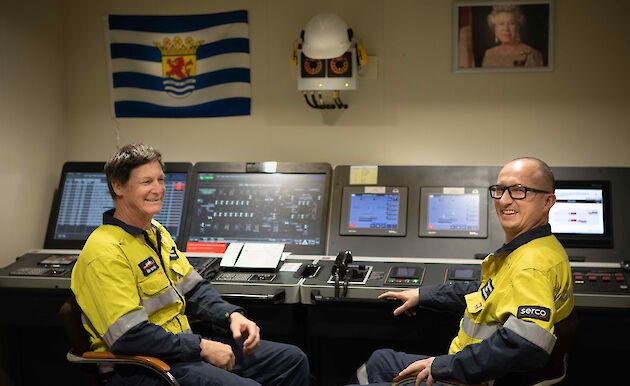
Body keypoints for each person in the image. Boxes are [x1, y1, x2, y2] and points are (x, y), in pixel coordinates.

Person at [71, 143, 310, 386]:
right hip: (142, 366)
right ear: (118, 186)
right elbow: (130, 336)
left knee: (292, 359)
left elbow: (194, 290)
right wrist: (201, 347)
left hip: (180, 349)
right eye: (147, 182)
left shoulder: (156, 233)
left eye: (160, 180)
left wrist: (232, 316)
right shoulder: (105, 251)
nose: (158, 189)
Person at [350, 157, 575, 386]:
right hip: (470, 367)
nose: (505, 200)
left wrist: (443, 366)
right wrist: (423, 294)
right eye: (499, 190)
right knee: (379, 362)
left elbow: (526, 344)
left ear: (548, 202)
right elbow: (485, 293)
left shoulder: (532, 264)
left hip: (480, 378)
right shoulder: (531, 249)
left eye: (519, 191)